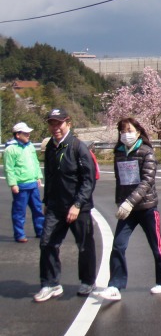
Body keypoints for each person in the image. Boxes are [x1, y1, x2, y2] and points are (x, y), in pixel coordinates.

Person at [99, 118, 161, 301]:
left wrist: (129, 202)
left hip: (147, 207)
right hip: (128, 209)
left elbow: (147, 182)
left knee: (156, 246)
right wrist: (120, 202)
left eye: (129, 130)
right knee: (118, 245)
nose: (126, 134)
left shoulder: (147, 153)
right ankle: (115, 285)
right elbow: (120, 182)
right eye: (123, 131)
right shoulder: (119, 153)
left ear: (138, 132)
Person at [35, 108, 97, 303]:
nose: (55, 128)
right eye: (52, 123)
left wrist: (77, 205)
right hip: (56, 206)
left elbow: (88, 180)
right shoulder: (51, 148)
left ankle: (87, 281)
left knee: (85, 245)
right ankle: (50, 283)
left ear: (68, 123)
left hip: (78, 207)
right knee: (47, 243)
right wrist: (46, 201)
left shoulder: (78, 147)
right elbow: (50, 177)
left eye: (59, 123)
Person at [3, 122, 45, 243]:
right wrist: (13, 184)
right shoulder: (10, 149)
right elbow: (9, 168)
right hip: (21, 185)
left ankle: (40, 231)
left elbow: (35, 162)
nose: (28, 135)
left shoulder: (30, 146)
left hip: (33, 183)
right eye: (25, 133)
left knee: (37, 208)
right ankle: (19, 234)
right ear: (17, 135)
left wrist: (38, 176)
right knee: (19, 211)